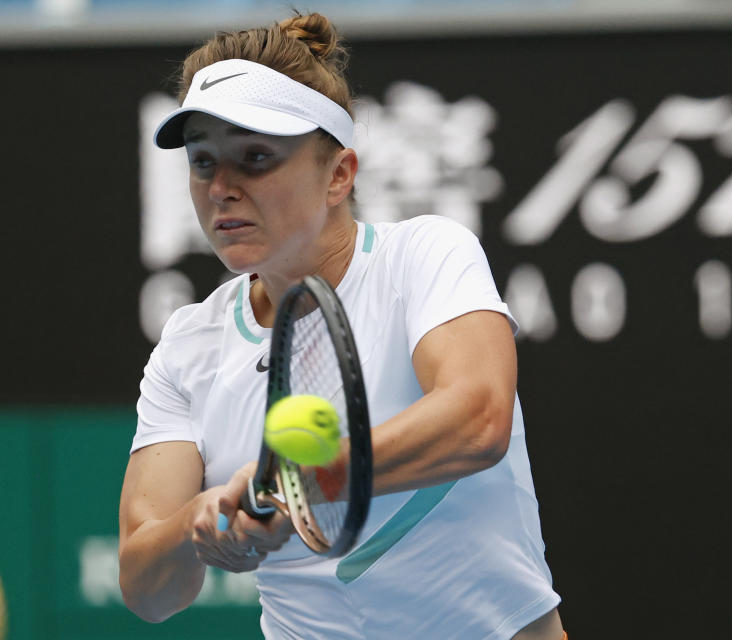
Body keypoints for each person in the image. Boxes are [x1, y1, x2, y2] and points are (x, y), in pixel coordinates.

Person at [118, 12, 565, 640]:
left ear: (339, 175)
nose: (221, 188)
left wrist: (298, 487)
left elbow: (477, 420)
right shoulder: (187, 347)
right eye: (202, 162)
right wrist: (202, 520)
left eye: (255, 158)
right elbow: (145, 586)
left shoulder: (425, 255)